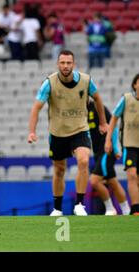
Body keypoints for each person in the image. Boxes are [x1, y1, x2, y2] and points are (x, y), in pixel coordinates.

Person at [28, 49, 108, 216]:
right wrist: (32, 132)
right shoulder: (49, 83)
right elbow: (36, 107)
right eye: (62, 63)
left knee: (84, 161)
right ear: (58, 64)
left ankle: (79, 204)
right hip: (57, 133)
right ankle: (57, 208)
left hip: (80, 129)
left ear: (74, 64)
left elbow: (98, 99)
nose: (65, 66)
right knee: (59, 170)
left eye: (68, 63)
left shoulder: (86, 81)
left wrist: (102, 122)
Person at [87, 99, 130, 215]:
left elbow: (113, 125)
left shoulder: (97, 107)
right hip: (97, 152)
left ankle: (110, 208)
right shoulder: (80, 112)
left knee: (94, 181)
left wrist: (114, 147)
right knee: (113, 182)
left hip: (107, 150)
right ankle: (127, 210)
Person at [105, 74, 139, 215]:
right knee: (131, 174)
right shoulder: (126, 99)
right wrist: (108, 140)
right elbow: (114, 118)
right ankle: (136, 209)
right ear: (134, 85)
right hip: (129, 144)